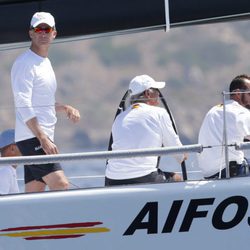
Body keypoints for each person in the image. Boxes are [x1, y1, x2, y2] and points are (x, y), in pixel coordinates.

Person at [11, 12, 80, 193]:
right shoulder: (24, 63)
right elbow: (23, 103)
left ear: (54, 34)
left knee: (34, 192)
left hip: (40, 136)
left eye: (46, 29)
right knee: (61, 184)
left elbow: (43, 102)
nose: (42, 33)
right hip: (33, 137)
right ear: (31, 33)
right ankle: (71, 222)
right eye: (38, 29)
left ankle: (27, 221)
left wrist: (65, 107)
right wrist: (42, 138)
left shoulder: (45, 63)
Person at [105, 74, 187, 186]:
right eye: (156, 90)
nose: (158, 94)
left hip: (112, 179)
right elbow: (179, 154)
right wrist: (184, 154)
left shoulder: (119, 118)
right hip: (144, 177)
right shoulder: (159, 113)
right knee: (177, 178)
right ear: (148, 93)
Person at [198, 74, 250, 179]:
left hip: (209, 173)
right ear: (237, 93)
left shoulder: (213, 110)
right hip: (231, 171)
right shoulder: (241, 112)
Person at [0, 129, 21, 195]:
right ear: (12, 149)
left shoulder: (7, 169)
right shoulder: (5, 171)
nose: (25, 148)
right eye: (22, 145)